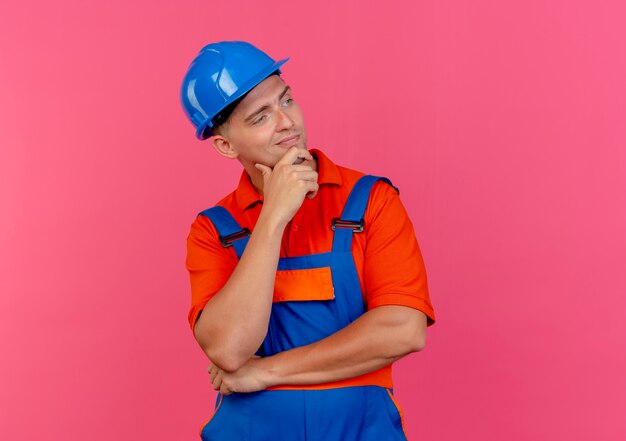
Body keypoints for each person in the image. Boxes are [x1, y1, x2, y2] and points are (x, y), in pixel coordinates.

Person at [181, 41, 436, 441]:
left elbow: (403, 330)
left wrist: (264, 372)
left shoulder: (371, 201)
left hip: (361, 429)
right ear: (226, 145)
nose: (286, 123)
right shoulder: (213, 230)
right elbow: (229, 350)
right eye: (261, 116)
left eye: (286, 100)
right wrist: (273, 217)